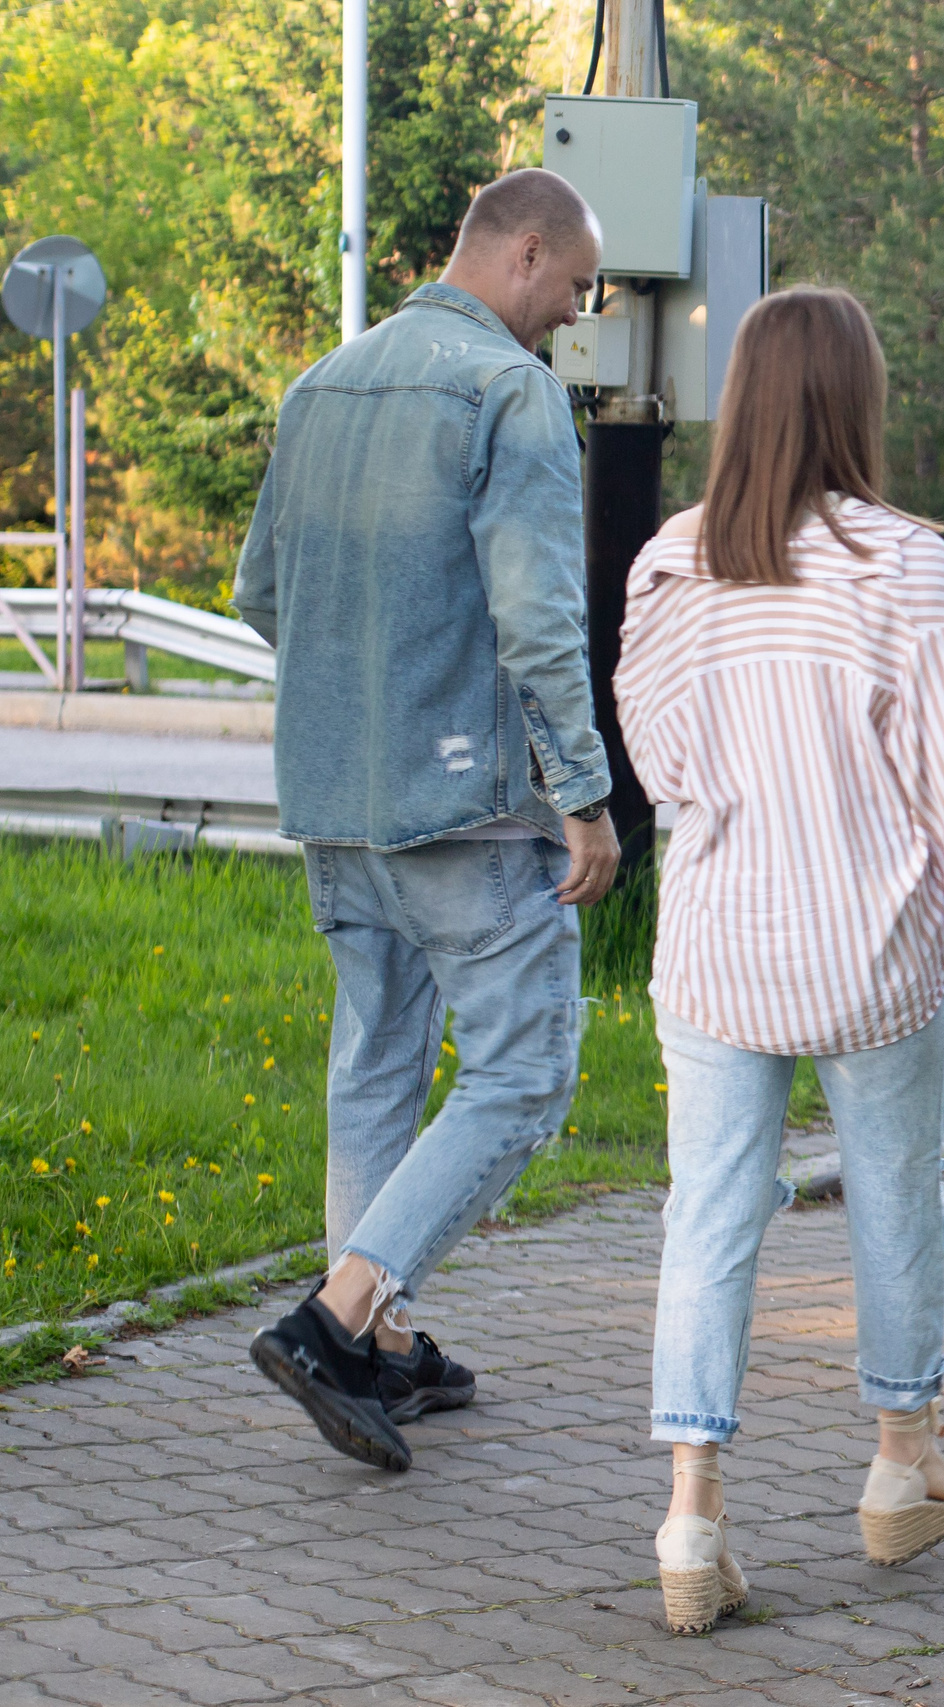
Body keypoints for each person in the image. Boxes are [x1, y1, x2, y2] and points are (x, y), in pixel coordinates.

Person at [614, 286, 944, 1631]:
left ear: (742, 395)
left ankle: (692, 1510)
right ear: (856, 399)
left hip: (716, 943)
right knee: (898, 1196)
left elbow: (663, 765)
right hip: (869, 944)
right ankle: (899, 1465)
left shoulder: (671, 562)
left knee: (710, 1212)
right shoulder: (901, 561)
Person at [232, 169, 615, 1476]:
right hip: (471, 807)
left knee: (377, 1065)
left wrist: (362, 699)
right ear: (521, 253)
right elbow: (540, 617)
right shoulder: (509, 392)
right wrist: (585, 793)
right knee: (522, 1072)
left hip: (336, 791)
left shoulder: (318, 386)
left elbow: (261, 590)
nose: (574, 313)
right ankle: (339, 1319)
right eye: (572, 288)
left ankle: (382, 1342)